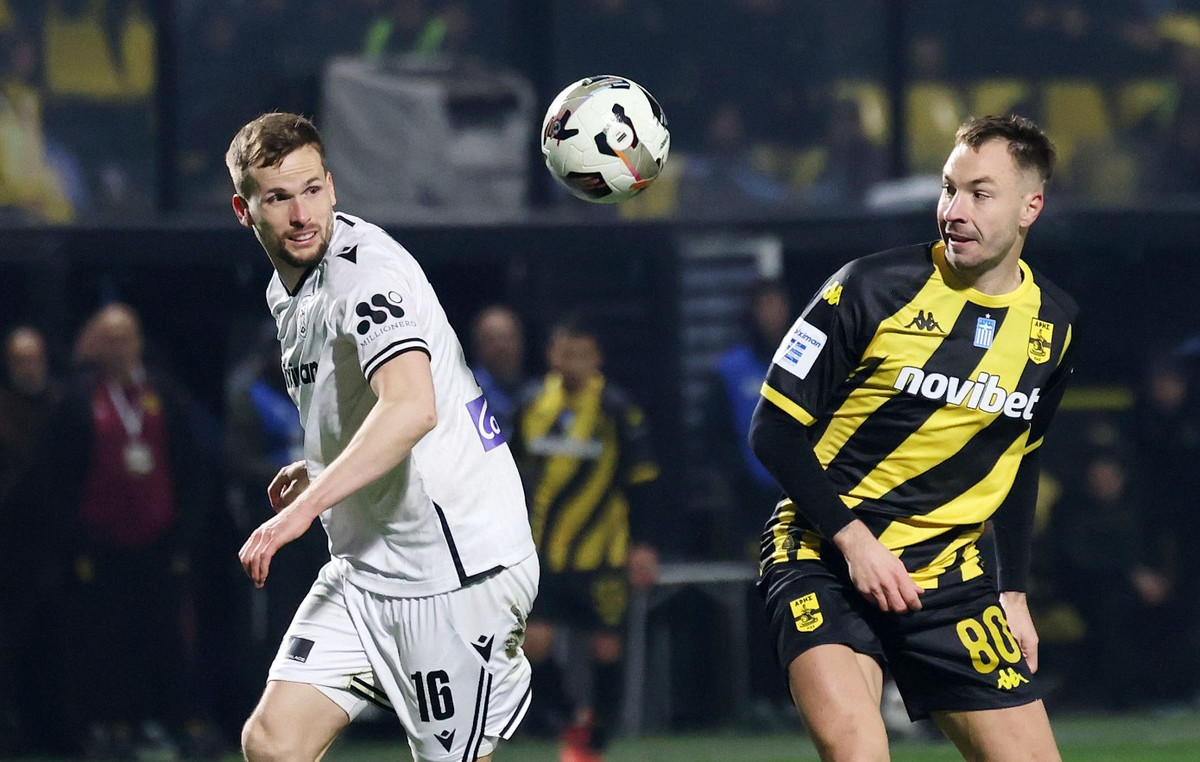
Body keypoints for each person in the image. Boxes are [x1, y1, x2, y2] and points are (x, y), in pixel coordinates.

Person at [750, 114, 1076, 761]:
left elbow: (1019, 459)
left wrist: (1012, 592)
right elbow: (774, 430)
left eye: (980, 194)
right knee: (859, 751)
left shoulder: (1055, 324)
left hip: (949, 581)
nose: (954, 210)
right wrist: (855, 543)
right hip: (825, 555)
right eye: (949, 189)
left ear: (1029, 207)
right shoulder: (868, 288)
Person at [226, 111, 537, 762]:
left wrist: (302, 512)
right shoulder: (288, 291)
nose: (301, 214)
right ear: (244, 210)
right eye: (278, 198)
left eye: (313, 190)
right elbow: (364, 405)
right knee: (273, 744)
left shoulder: (365, 274)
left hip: (456, 570)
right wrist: (322, 467)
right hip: (371, 563)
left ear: (333, 187)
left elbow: (412, 408)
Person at [45, 303, 216, 759]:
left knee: (169, 638)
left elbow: (193, 467)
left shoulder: (165, 393)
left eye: (126, 337)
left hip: (161, 543)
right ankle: (110, 729)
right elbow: (58, 476)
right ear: (95, 345)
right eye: (110, 339)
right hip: (100, 547)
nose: (119, 347)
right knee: (105, 642)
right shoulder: (79, 398)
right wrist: (76, 539)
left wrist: (185, 534)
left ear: (139, 342)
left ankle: (185, 726)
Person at [511, 314, 660, 762]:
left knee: (606, 648)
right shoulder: (530, 404)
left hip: (602, 554)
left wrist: (643, 545)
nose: (573, 363)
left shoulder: (616, 408)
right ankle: (573, 718)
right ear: (551, 355)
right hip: (544, 552)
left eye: (582, 354)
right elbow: (509, 470)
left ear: (597, 358)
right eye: (565, 353)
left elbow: (643, 481)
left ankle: (594, 741)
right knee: (531, 644)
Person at [469, 304, 529, 440]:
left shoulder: (537, 391)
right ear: (477, 346)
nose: (502, 347)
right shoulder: (467, 391)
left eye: (507, 338)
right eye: (492, 340)